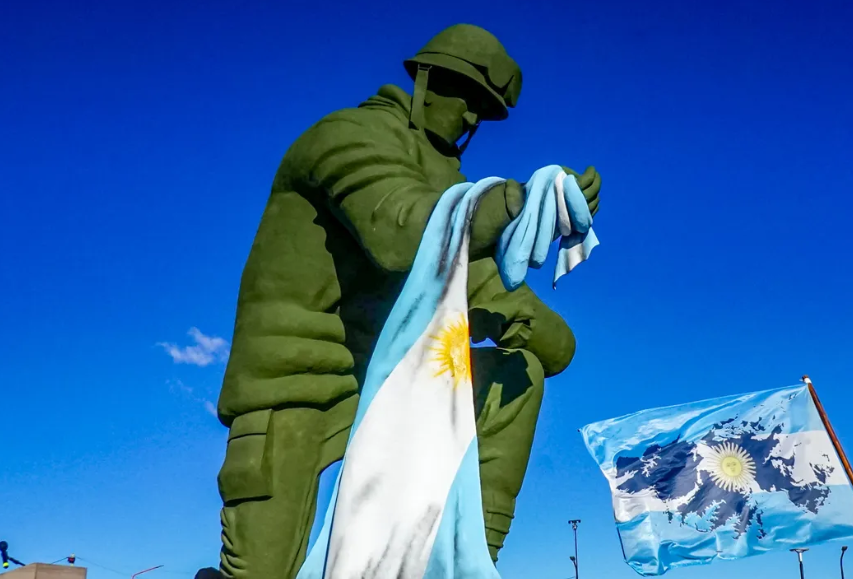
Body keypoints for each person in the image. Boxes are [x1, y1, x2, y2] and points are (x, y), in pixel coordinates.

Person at [213, 23, 602, 579]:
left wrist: (548, 237)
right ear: (424, 80)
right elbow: (401, 233)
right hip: (299, 385)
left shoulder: (450, 197)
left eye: (483, 110)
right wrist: (518, 202)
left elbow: (536, 329)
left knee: (520, 375)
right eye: (464, 95)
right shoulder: (348, 136)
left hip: (390, 388)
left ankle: (464, 562)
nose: (471, 118)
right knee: (260, 570)